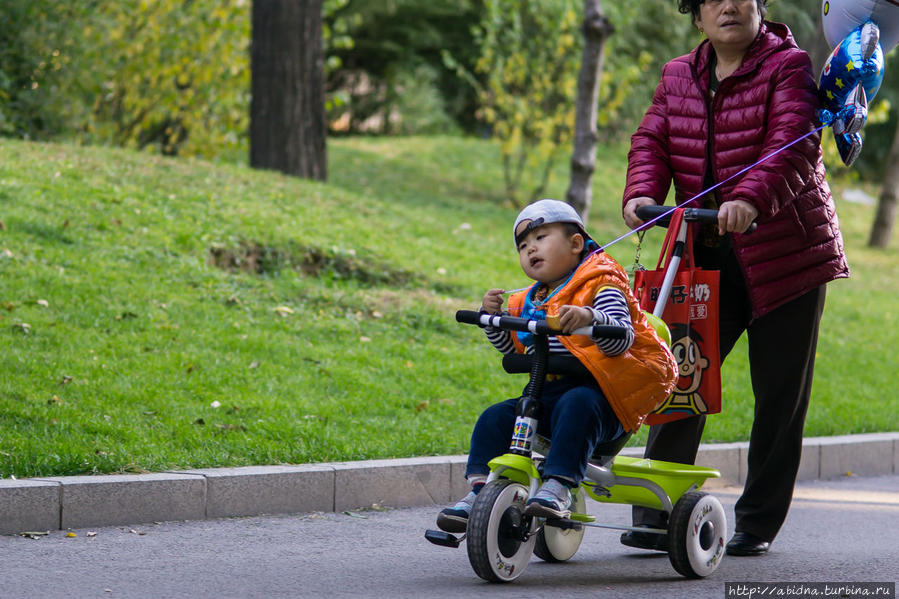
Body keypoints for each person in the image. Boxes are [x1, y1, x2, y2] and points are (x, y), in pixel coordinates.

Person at [621, 0, 849, 557]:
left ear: (760, 7)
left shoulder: (788, 65)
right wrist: (642, 193)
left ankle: (757, 523)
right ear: (696, 15)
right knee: (678, 378)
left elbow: (794, 144)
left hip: (786, 254)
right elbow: (651, 138)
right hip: (703, 253)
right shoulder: (678, 73)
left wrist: (750, 198)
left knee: (779, 395)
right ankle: (657, 510)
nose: (730, 5)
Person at [436, 199, 678, 533]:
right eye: (523, 245)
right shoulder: (530, 301)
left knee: (576, 404)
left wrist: (589, 317)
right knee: (495, 417)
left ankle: (559, 485)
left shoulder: (602, 282)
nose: (530, 249)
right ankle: (480, 490)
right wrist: (493, 320)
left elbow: (620, 337)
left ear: (576, 243)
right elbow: (515, 347)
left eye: (540, 238)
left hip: (604, 400)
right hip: (547, 397)